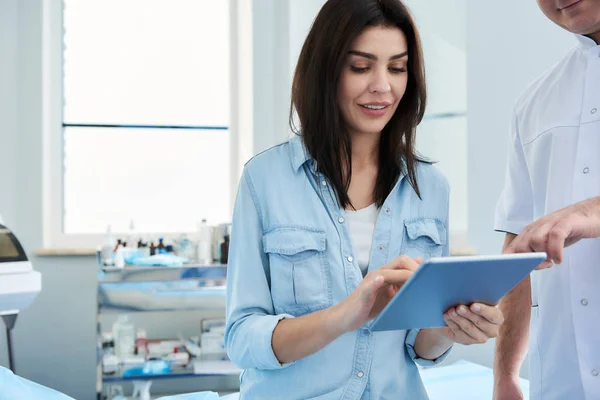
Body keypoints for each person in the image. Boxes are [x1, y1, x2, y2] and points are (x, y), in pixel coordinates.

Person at [224, 0, 504, 398]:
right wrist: (345, 316)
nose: (382, 86)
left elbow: (420, 347)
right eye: (360, 66)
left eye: (397, 67)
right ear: (325, 71)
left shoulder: (431, 188)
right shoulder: (264, 180)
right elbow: (242, 338)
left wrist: (451, 328)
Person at [492, 1, 600, 399]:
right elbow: (517, 244)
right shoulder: (533, 104)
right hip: (560, 381)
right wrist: (505, 375)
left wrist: (590, 212)